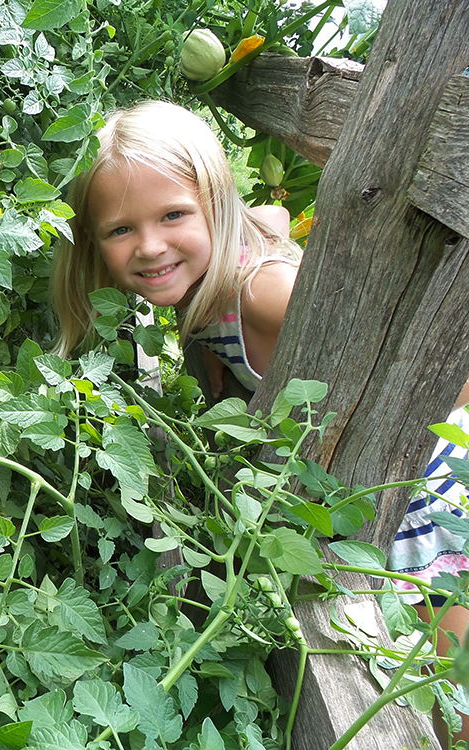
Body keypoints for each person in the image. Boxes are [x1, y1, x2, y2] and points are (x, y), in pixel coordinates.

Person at [51, 99, 469, 743]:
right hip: (359, 489)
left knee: (451, 686)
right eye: (119, 230)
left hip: (418, 493)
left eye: (173, 215)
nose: (150, 245)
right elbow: (269, 216)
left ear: (217, 207)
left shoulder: (261, 291)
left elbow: (424, 356)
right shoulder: (219, 273)